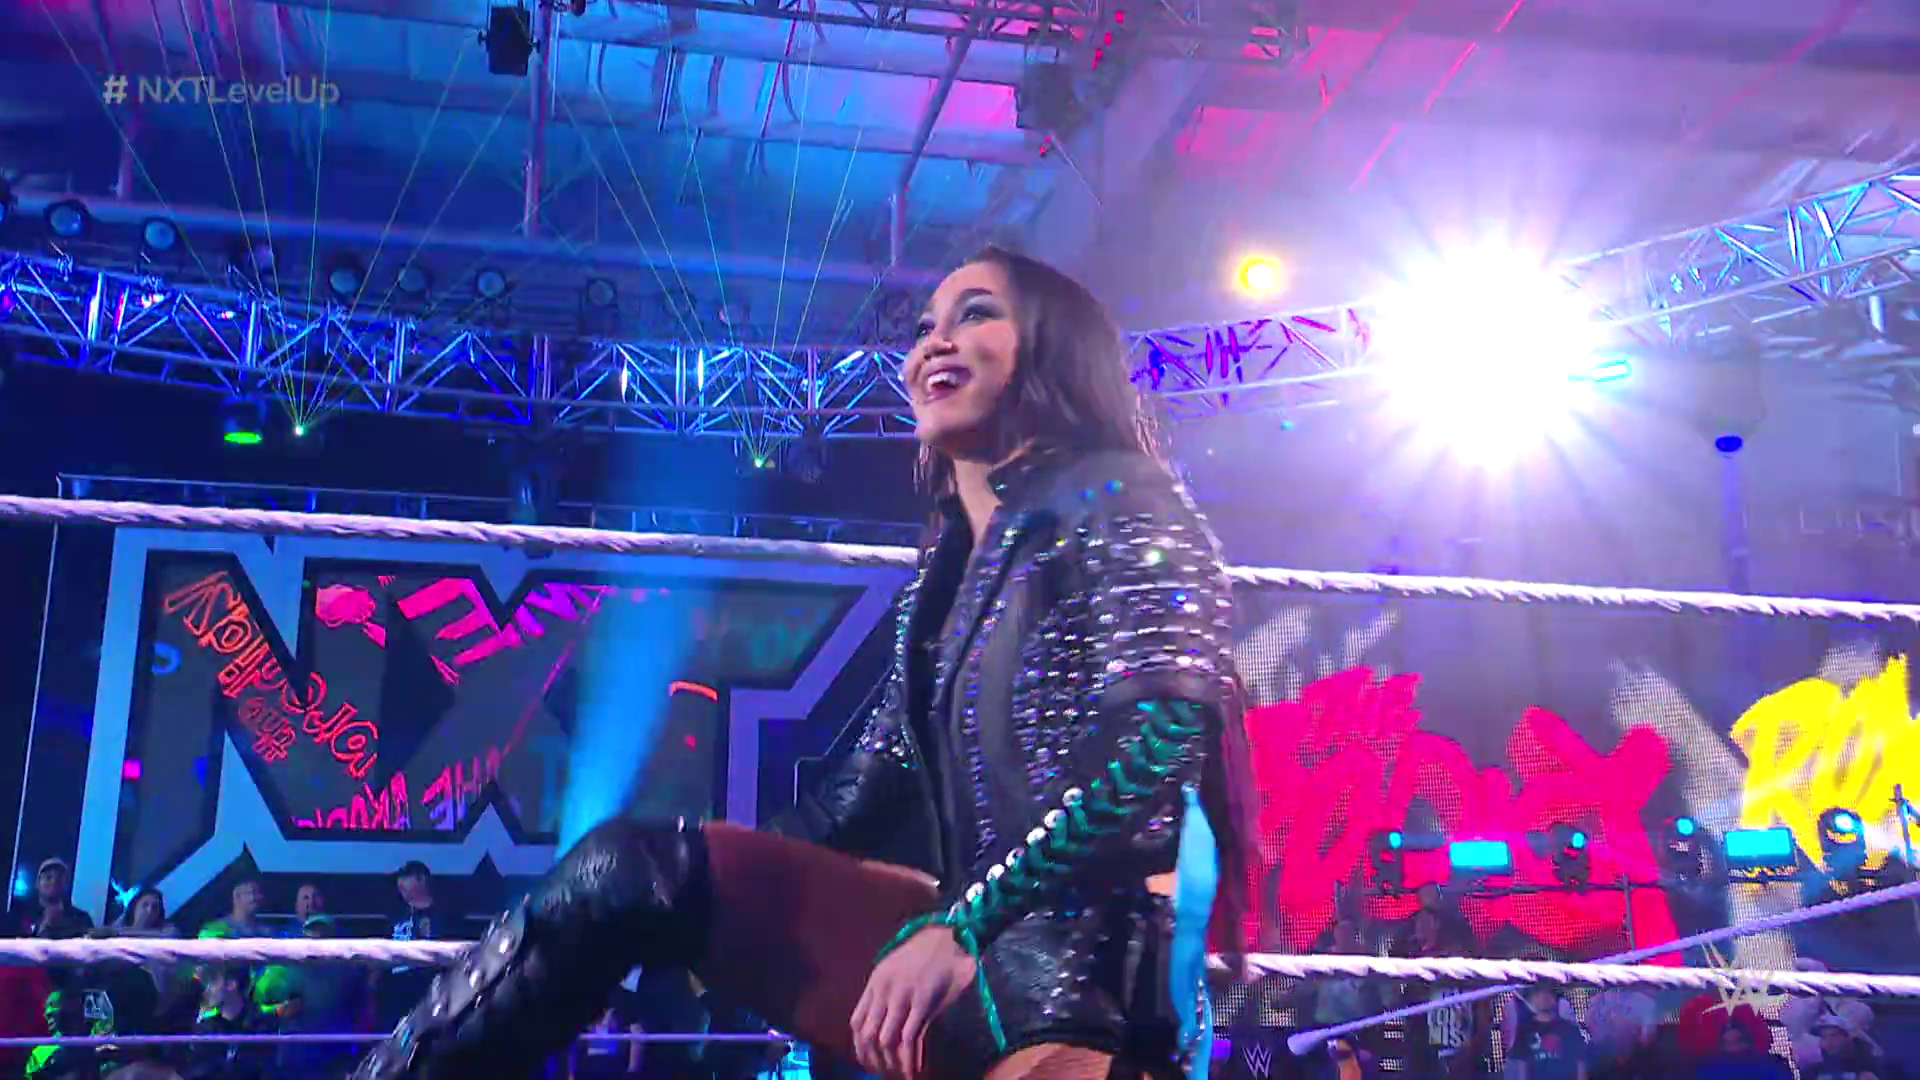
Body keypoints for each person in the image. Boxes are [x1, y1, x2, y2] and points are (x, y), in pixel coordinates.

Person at [351, 247, 1254, 1080]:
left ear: (1052, 349)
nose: (935, 343)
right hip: (970, 948)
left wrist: (966, 925)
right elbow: (858, 795)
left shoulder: (1121, 492)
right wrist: (695, 894)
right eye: (925, 326)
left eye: (976, 314)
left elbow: (1161, 741)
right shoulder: (944, 578)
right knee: (627, 873)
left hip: (1088, 972)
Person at [1509, 989, 1589, 1080]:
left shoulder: (1571, 1029)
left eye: (1548, 993)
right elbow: (1521, 1068)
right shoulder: (1524, 1032)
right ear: (1532, 999)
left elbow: (1581, 1064)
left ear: (1554, 998)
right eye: (1538, 995)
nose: (1543, 998)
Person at [22, 858, 94, 940]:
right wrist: (44, 926)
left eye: (59, 879)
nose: (53, 882)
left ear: (66, 885)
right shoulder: (22, 915)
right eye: (48, 877)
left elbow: (88, 945)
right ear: (37, 883)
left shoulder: (81, 918)